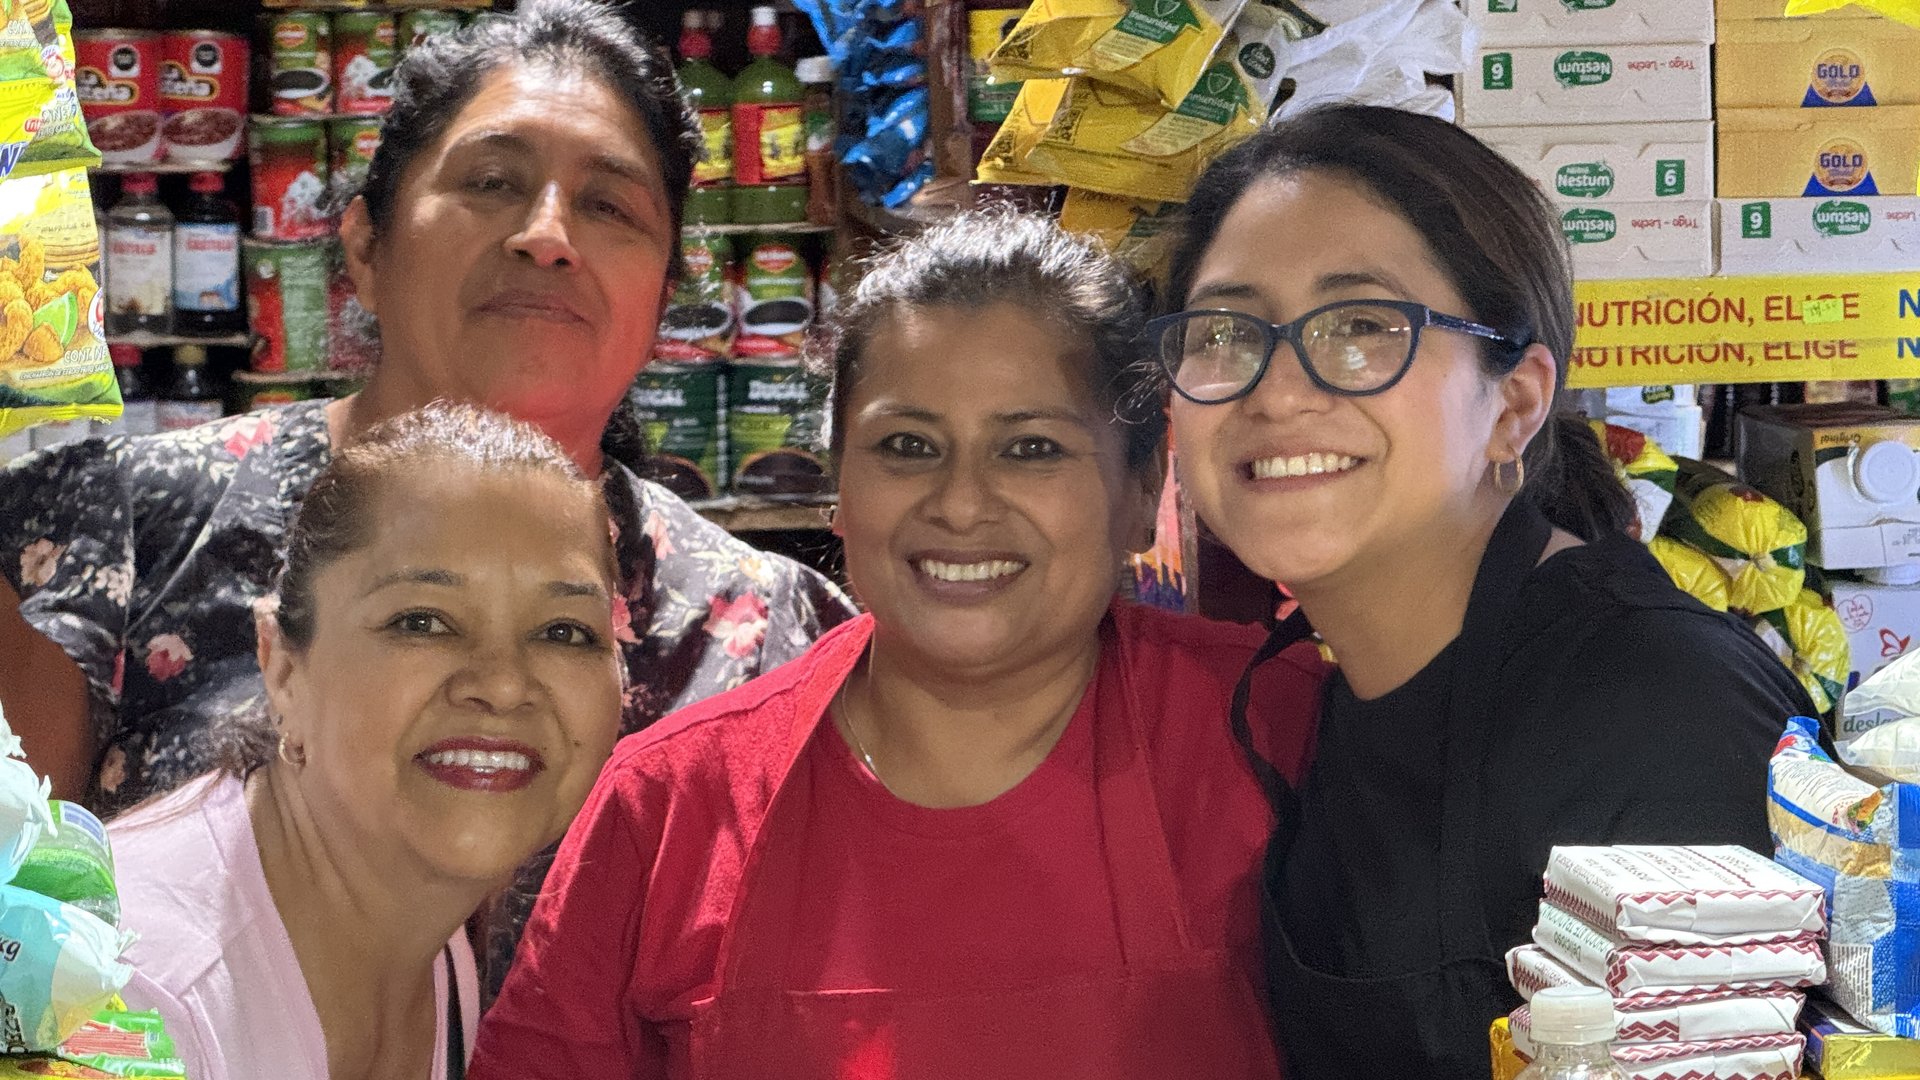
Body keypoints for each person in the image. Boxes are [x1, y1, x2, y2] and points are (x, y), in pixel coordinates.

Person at [466, 210, 1326, 1079]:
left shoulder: (1279, 731)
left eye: (1031, 449)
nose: (959, 503)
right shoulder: (667, 809)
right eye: (907, 447)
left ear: (1144, 492)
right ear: (839, 487)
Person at [0, 0, 850, 817]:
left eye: (607, 205)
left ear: (666, 296)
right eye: (491, 181)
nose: (547, 235)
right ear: (367, 248)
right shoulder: (116, 530)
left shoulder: (775, 634)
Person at [1152, 104, 1816, 1079]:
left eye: (1361, 326)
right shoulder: (1339, 678)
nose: (1274, 390)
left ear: (1513, 404)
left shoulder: (1659, 709)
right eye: (1221, 330)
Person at [110, 403, 625, 1080]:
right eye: (423, 621)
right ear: (283, 667)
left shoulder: (430, 944)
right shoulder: (124, 996)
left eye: (564, 631)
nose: (502, 685)